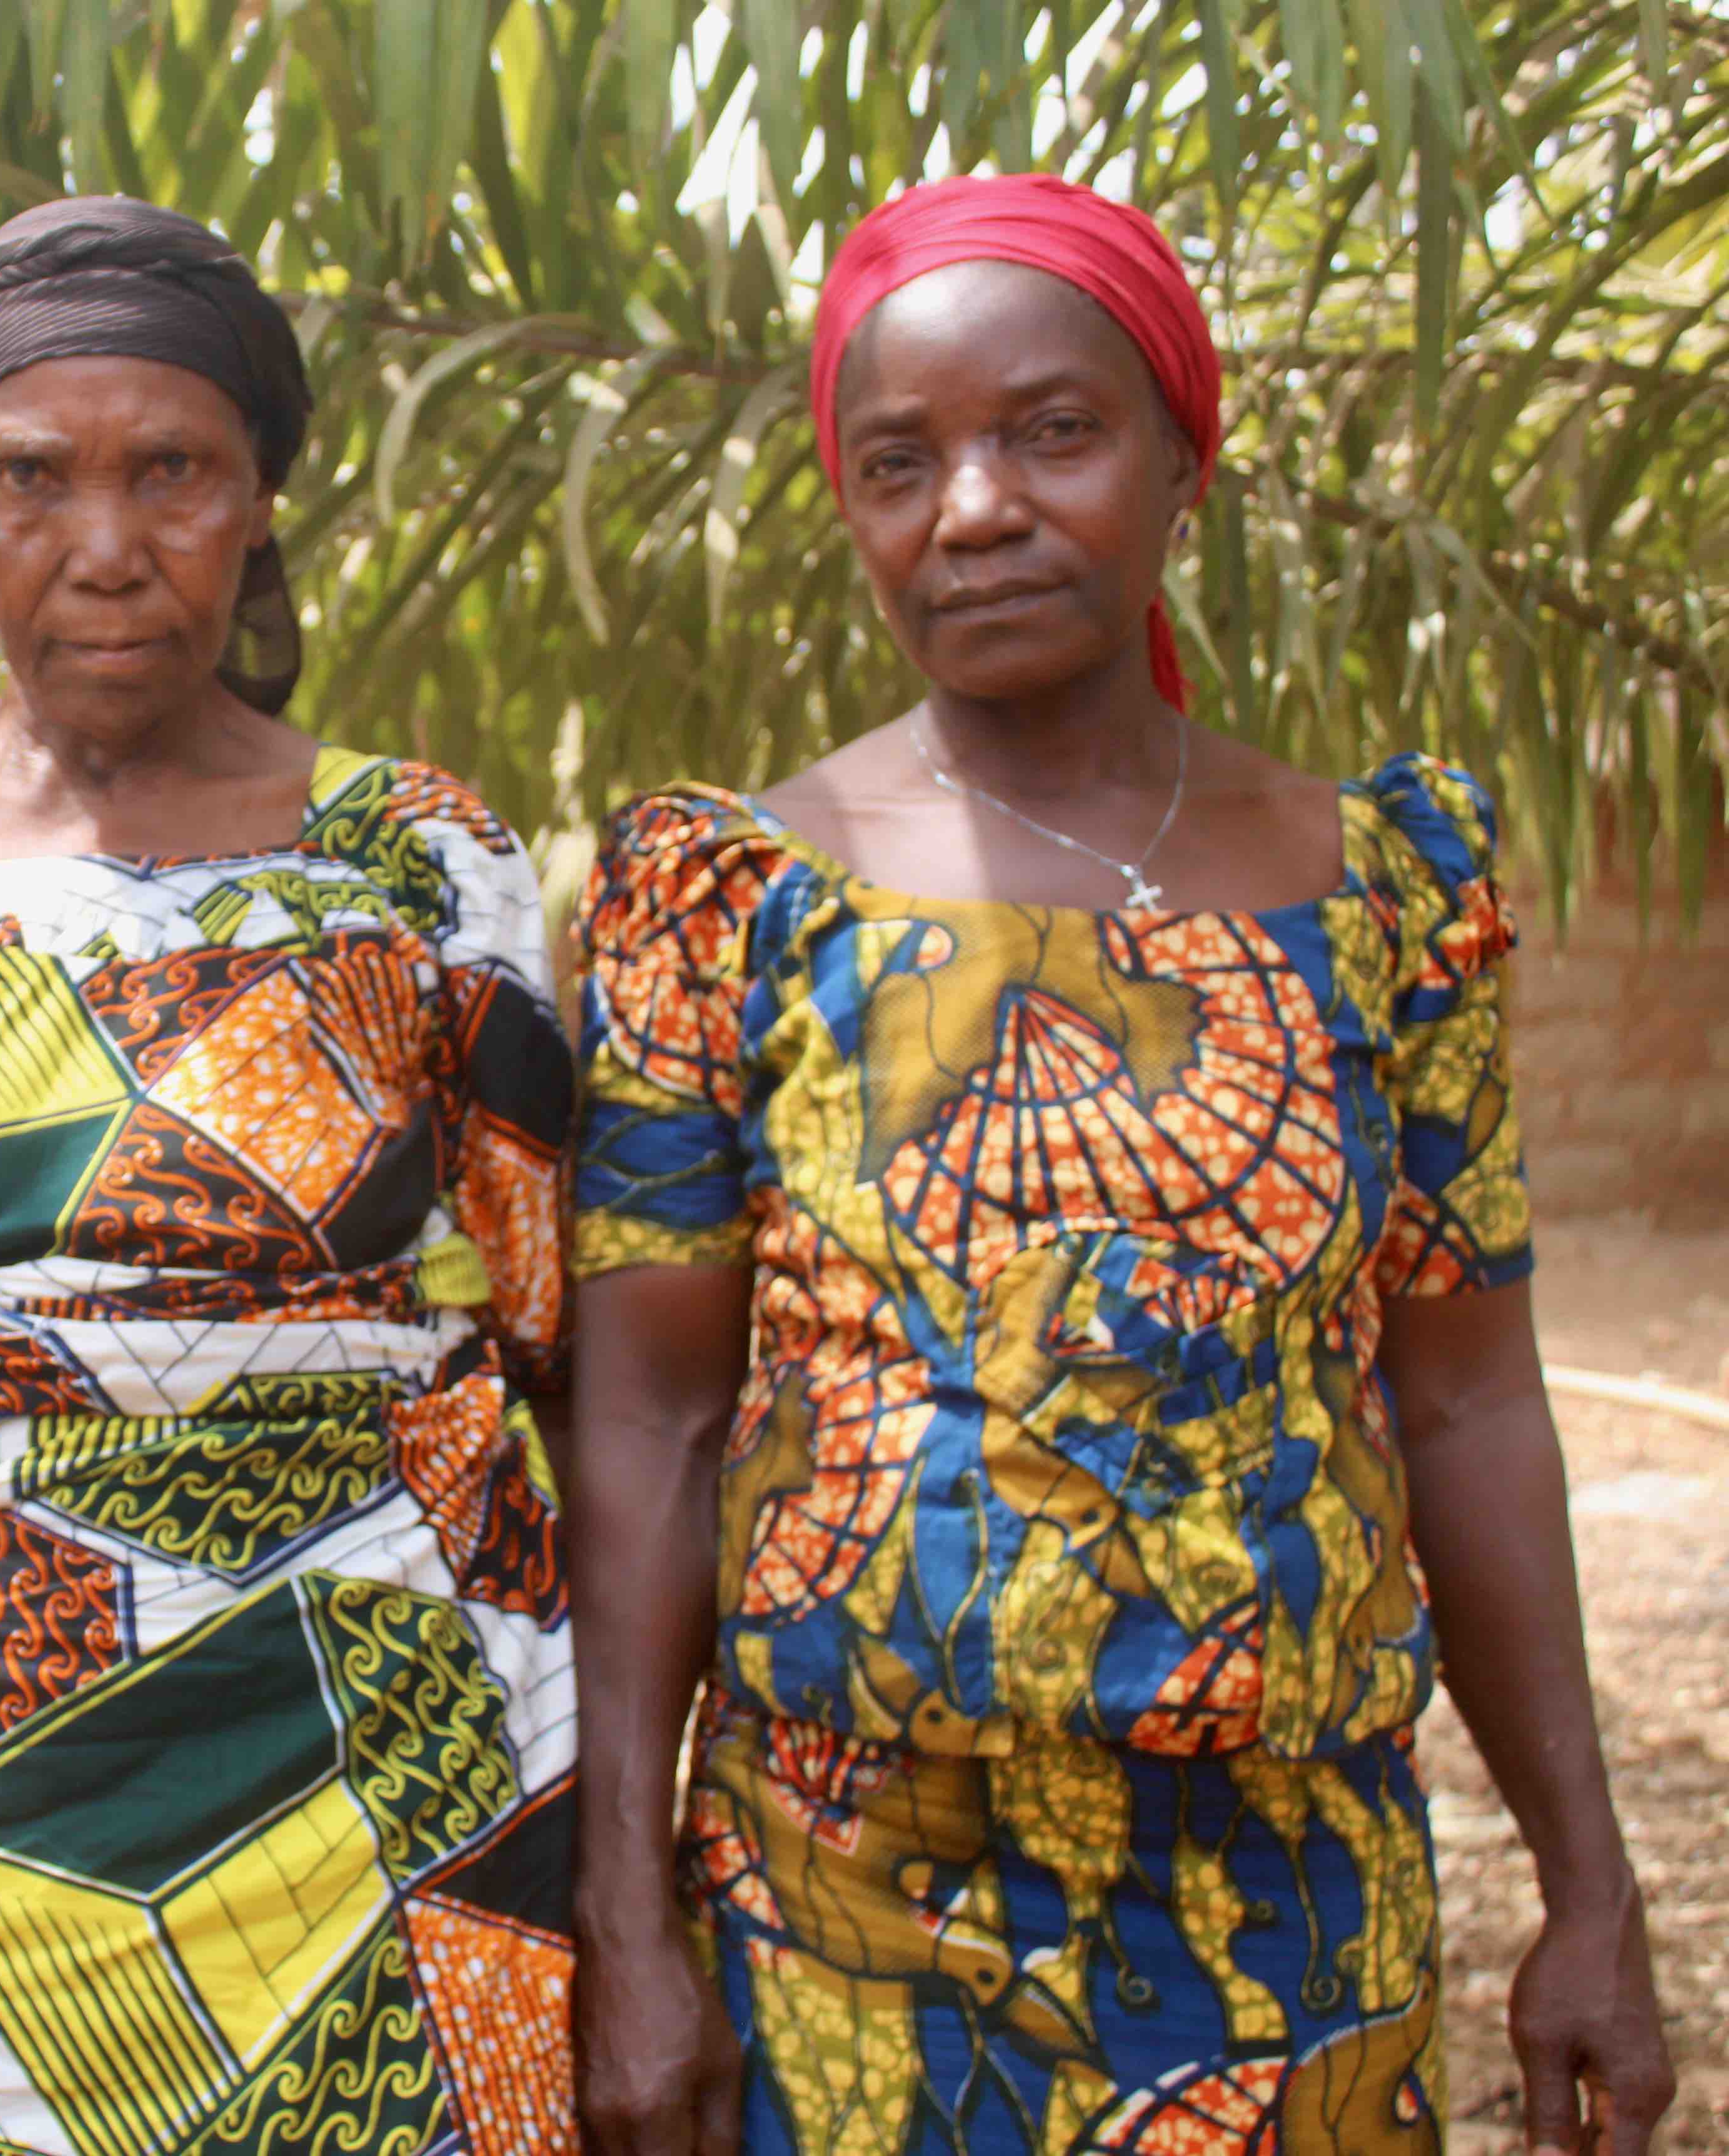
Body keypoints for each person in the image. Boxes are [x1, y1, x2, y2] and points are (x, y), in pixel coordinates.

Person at [565, 173, 1675, 2156]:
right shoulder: (729, 899)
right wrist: (629, 1915)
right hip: (841, 1917)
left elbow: (1472, 1398)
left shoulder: (1387, 888)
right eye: (898, 463)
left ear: (1184, 459)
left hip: (1297, 1911)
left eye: (1050, 433)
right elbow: (650, 1419)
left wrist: (1589, 1889)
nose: (973, 510)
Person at [0, 195, 581, 2155]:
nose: (104, 547)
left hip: (381, 1742)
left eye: (173, 470)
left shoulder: (425, 865)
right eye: (27, 477)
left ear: (257, 502)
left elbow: (547, 1337)